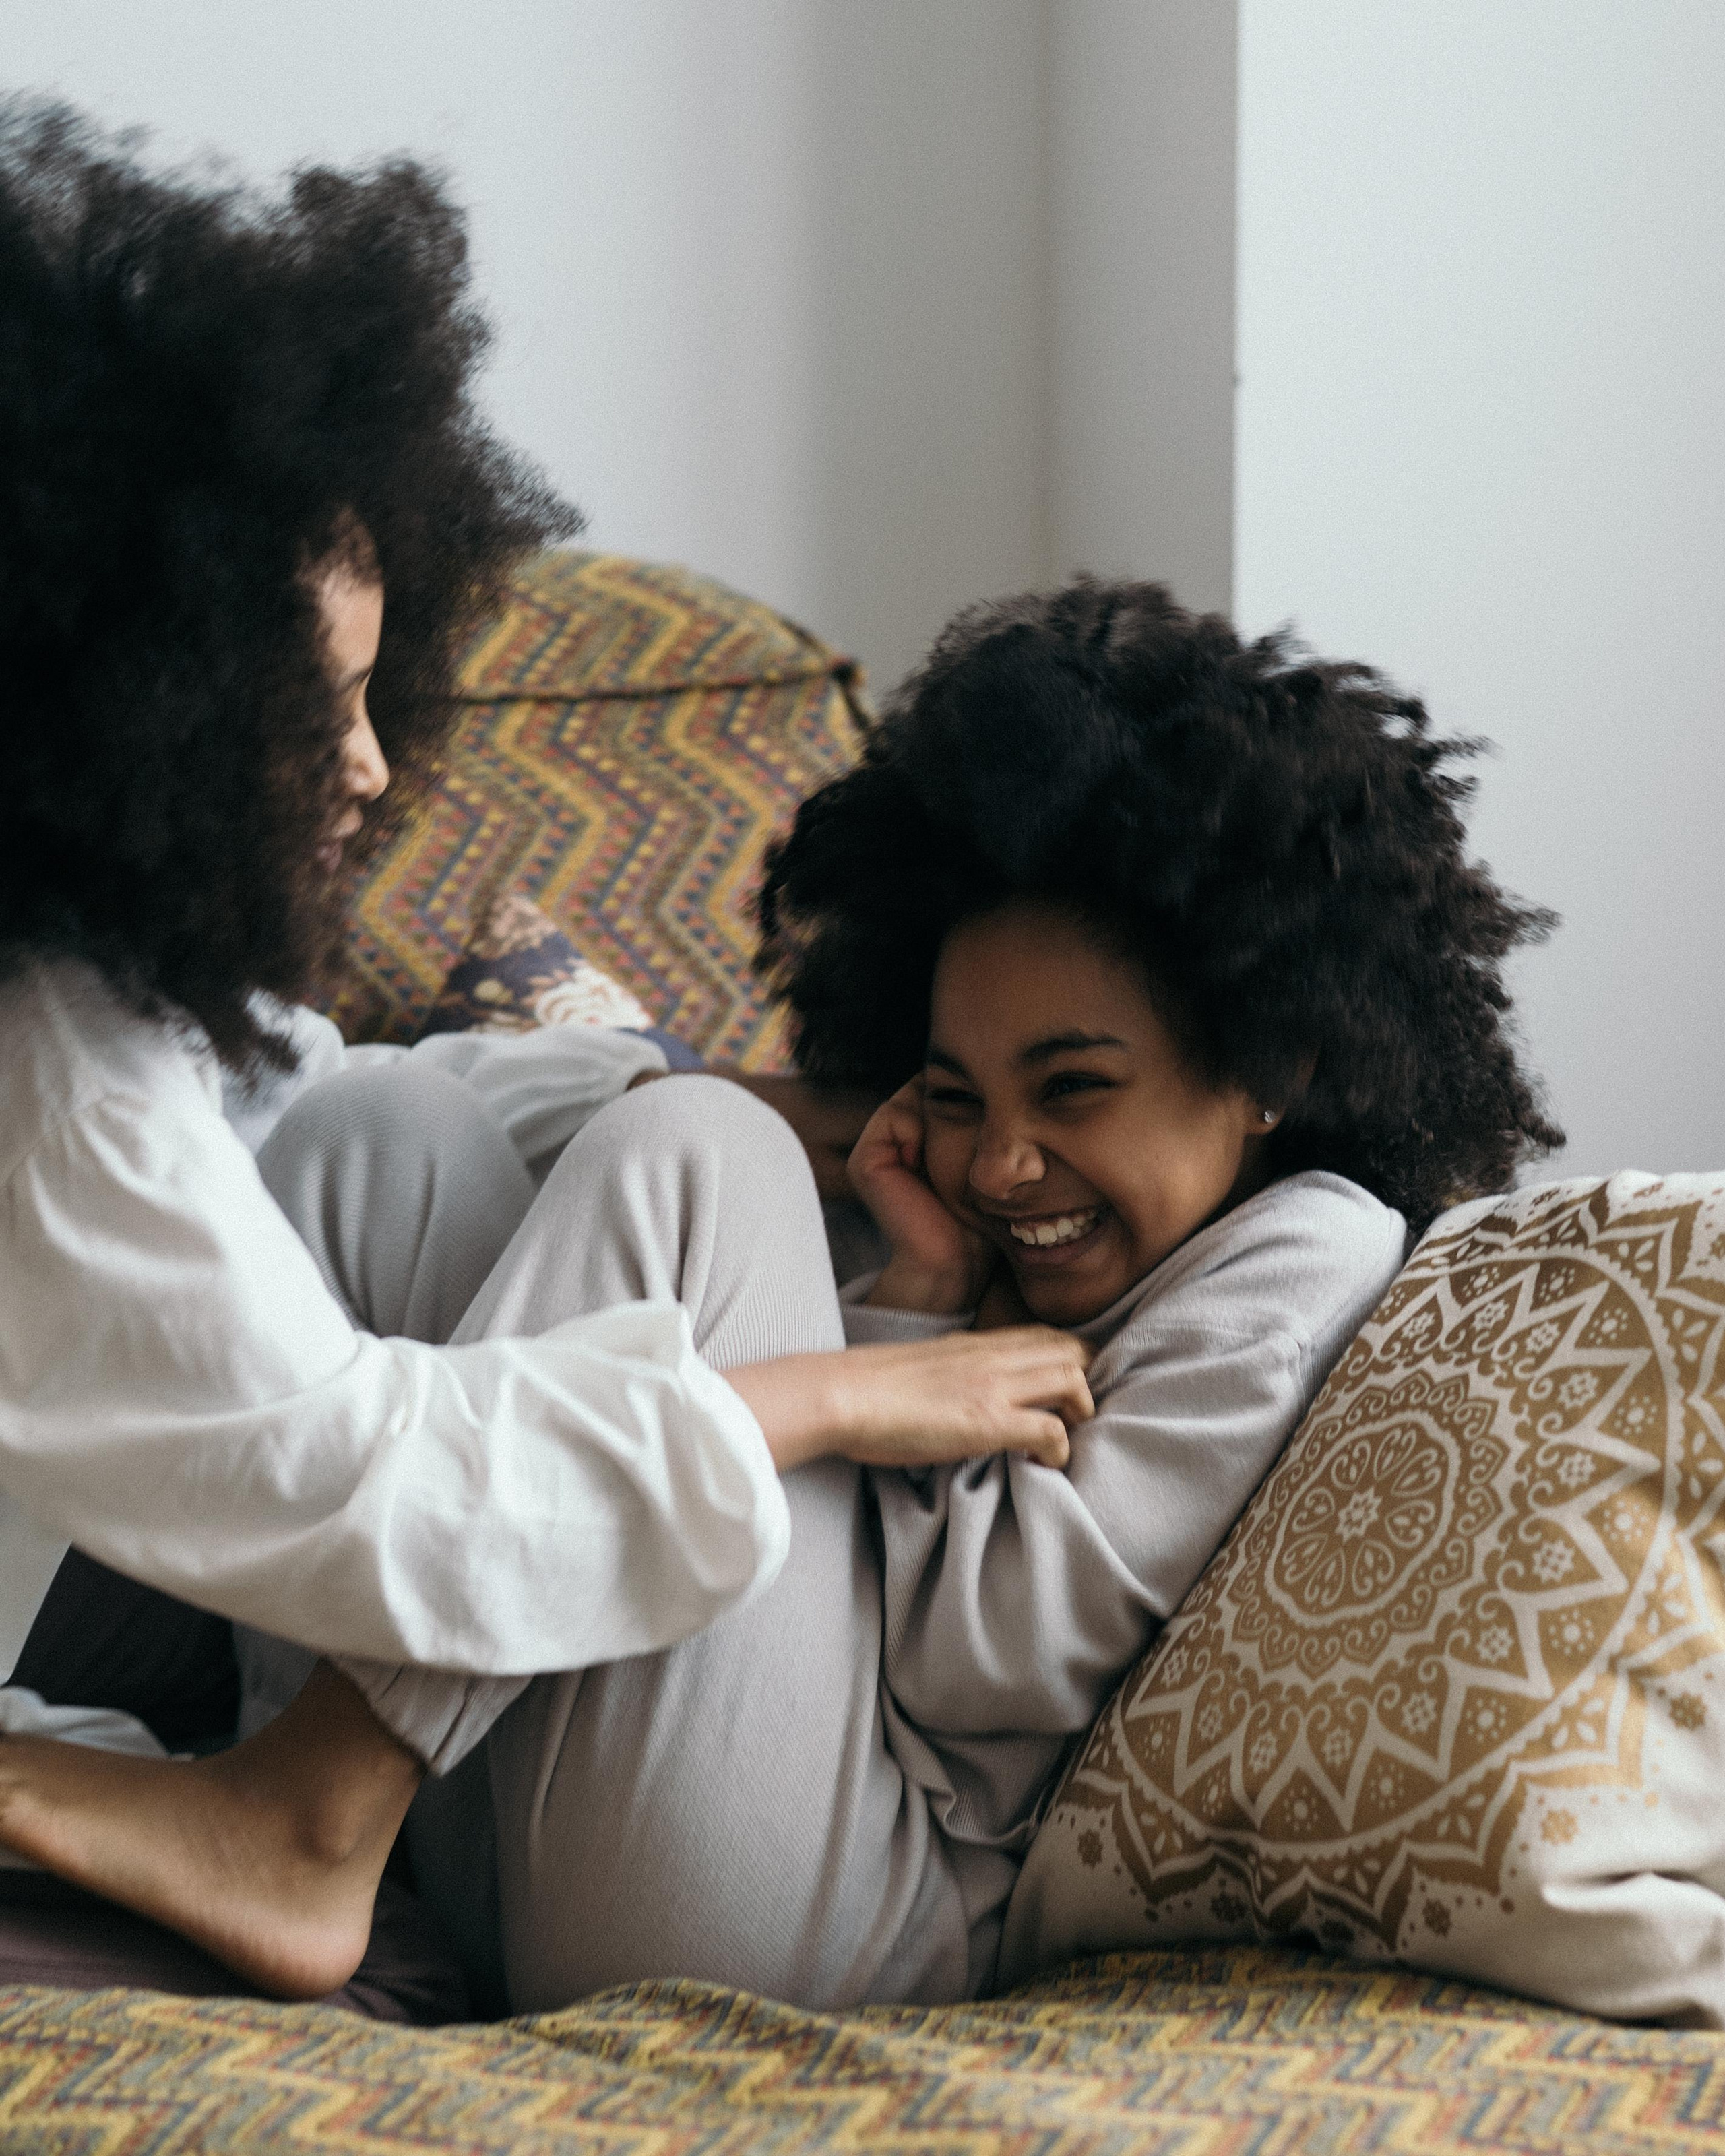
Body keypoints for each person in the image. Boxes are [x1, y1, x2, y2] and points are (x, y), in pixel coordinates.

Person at [2, 573, 1563, 2015]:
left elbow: (976, 1666)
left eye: (1071, 1089)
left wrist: (897, 1325)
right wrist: (906, 1272)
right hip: (552, 1842)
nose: (1007, 1163)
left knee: (694, 1147)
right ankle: (283, 1787)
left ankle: (303, 1816)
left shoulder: (1299, 1252)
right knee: (379, 1136)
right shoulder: (946, 1212)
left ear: (1273, 1063)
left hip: (829, 1906)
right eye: (957, 1093)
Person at [0, 108, 1093, 2008]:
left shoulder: (93, 1001)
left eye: (371, 690)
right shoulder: (55, 1080)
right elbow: (362, 1476)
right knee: (681, 1165)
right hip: (701, 1874)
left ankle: (314, 1819)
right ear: (127, 705)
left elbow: (285, 1091)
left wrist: (793, 1106)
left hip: (658, 1820)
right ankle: (302, 1828)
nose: (366, 765)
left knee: (400, 1122)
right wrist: (839, 1394)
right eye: (310, 707)